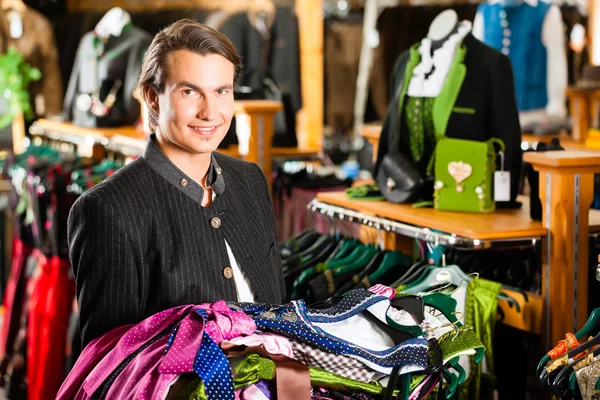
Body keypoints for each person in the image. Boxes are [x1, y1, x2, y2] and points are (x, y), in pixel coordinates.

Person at [67, 19, 285, 349]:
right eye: (190, 92)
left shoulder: (251, 181)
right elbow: (109, 368)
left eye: (221, 92)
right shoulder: (107, 210)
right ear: (153, 98)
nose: (210, 112)